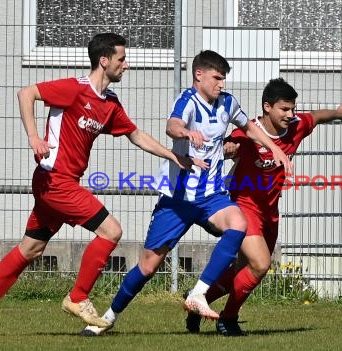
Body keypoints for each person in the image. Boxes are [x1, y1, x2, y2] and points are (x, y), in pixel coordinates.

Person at [0, 32, 203, 336]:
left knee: (32, 247)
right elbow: (26, 93)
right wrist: (34, 137)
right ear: (104, 61)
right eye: (121, 59)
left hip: (59, 183)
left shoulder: (109, 103)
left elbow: (136, 135)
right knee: (112, 230)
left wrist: (173, 155)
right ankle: (78, 298)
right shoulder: (74, 89)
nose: (126, 65)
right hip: (55, 181)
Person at [80, 50, 293, 336]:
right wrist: (185, 133)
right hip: (177, 199)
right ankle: (107, 318)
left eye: (224, 78)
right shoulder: (187, 101)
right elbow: (172, 125)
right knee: (148, 266)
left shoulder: (228, 103)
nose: (221, 84)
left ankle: (198, 294)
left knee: (238, 223)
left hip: (211, 196)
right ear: (199, 75)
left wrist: (275, 147)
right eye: (217, 78)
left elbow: (249, 127)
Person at [186, 78, 342, 336]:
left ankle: (198, 301)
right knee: (261, 264)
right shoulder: (248, 131)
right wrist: (229, 148)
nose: (291, 114)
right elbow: (230, 143)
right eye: (284, 109)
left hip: (269, 211)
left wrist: (340, 112)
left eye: (292, 109)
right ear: (267, 107)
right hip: (243, 206)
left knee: (245, 271)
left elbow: (317, 116)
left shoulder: (296, 127)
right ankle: (227, 319)